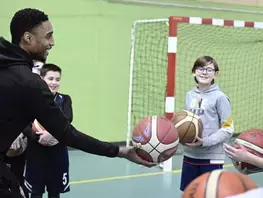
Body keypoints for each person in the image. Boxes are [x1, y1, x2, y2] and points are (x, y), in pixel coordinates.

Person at [0, 8, 155, 198]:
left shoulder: (6, 63)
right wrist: (120, 151)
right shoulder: (30, 84)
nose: (52, 42)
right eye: (48, 36)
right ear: (28, 38)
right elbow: (68, 134)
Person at [180, 56, 234, 191]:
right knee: (189, 193)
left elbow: (228, 129)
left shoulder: (220, 97)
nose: (204, 72)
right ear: (194, 72)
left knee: (209, 193)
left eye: (209, 69)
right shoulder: (189, 95)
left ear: (216, 74)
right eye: (201, 69)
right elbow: (188, 124)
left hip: (211, 157)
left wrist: (205, 141)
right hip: (190, 155)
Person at [24, 63, 72, 198]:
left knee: (54, 191)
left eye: (57, 79)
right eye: (50, 79)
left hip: (57, 151)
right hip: (36, 152)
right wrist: (38, 137)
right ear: (42, 79)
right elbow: (25, 124)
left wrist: (52, 134)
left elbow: (67, 120)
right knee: (35, 192)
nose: (54, 82)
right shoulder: (31, 100)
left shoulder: (65, 100)